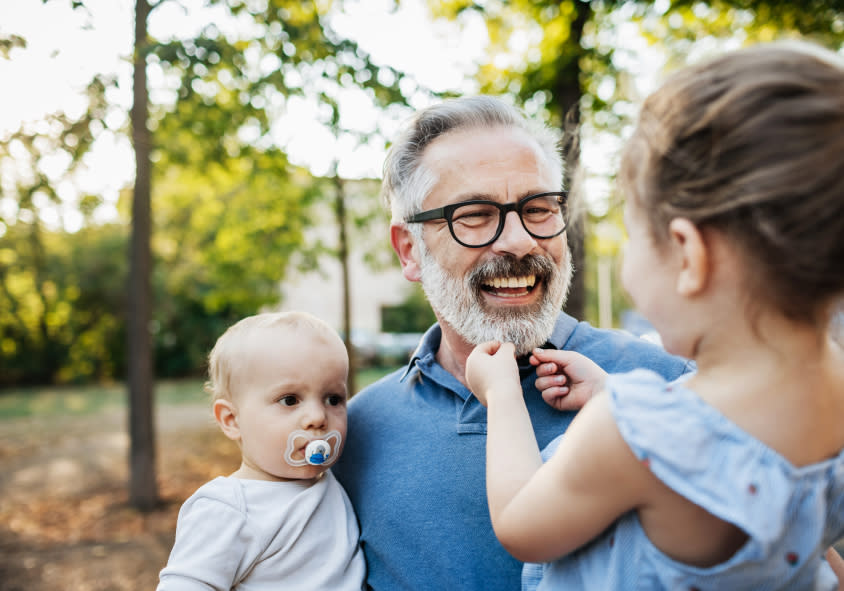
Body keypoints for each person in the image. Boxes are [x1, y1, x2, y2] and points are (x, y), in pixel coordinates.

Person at [465, 41, 844, 590]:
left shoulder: (630, 432)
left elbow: (521, 520)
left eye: (633, 230)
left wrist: (500, 395)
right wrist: (611, 396)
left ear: (688, 255)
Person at [331, 95, 694, 590]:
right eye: (476, 214)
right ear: (409, 249)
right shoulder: (355, 433)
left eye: (539, 208)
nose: (521, 241)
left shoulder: (672, 387)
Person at [157, 311, 365, 590]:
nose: (318, 417)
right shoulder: (228, 509)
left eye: (333, 398)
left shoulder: (333, 484)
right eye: (290, 400)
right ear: (232, 420)